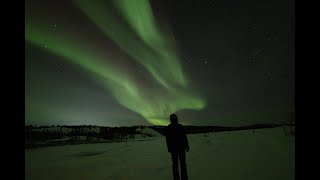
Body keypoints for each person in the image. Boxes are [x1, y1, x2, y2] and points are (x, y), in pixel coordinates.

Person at [166, 114, 189, 180]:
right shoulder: (169, 127)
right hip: (174, 149)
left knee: (182, 165)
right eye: (173, 118)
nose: (174, 119)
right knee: (175, 165)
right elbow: (168, 139)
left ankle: (184, 178)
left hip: (181, 148)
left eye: (175, 118)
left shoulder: (180, 126)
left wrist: (187, 145)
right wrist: (169, 148)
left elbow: (184, 137)